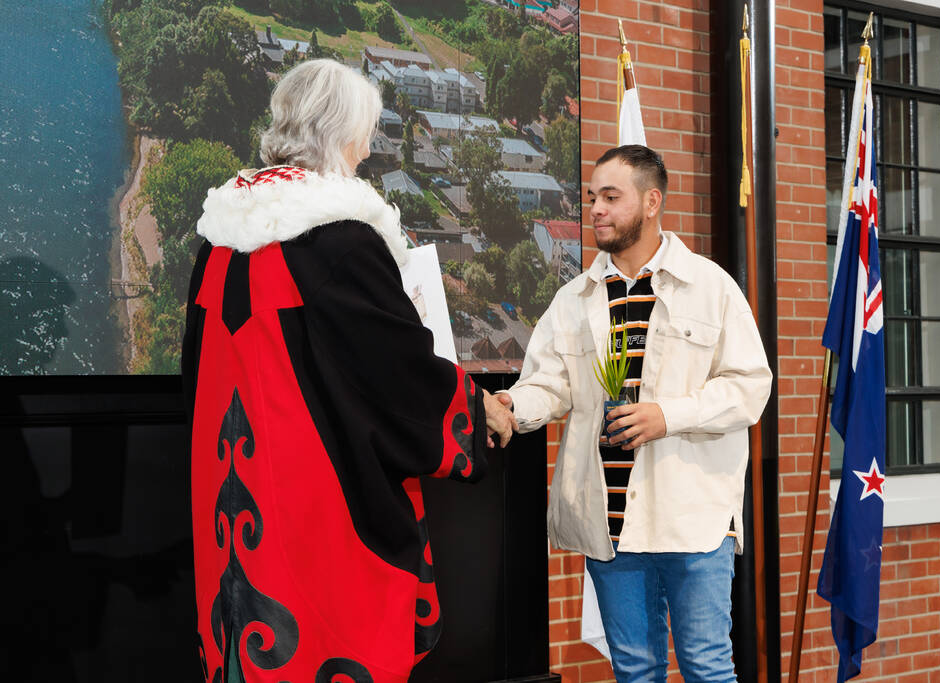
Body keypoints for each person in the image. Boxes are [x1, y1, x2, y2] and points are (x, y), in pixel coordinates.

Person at [181, 59, 515, 683]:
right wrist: (473, 408)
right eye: (365, 132)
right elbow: (398, 376)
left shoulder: (220, 240)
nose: (367, 149)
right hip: (320, 512)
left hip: (237, 507)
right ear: (340, 134)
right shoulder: (339, 240)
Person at [497, 145, 772, 682]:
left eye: (610, 197)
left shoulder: (711, 287)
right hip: (611, 528)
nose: (595, 209)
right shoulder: (574, 300)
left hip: (692, 524)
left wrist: (666, 416)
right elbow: (548, 385)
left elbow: (750, 388)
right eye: (592, 197)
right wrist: (512, 405)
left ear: (652, 202)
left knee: (708, 669)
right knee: (634, 671)